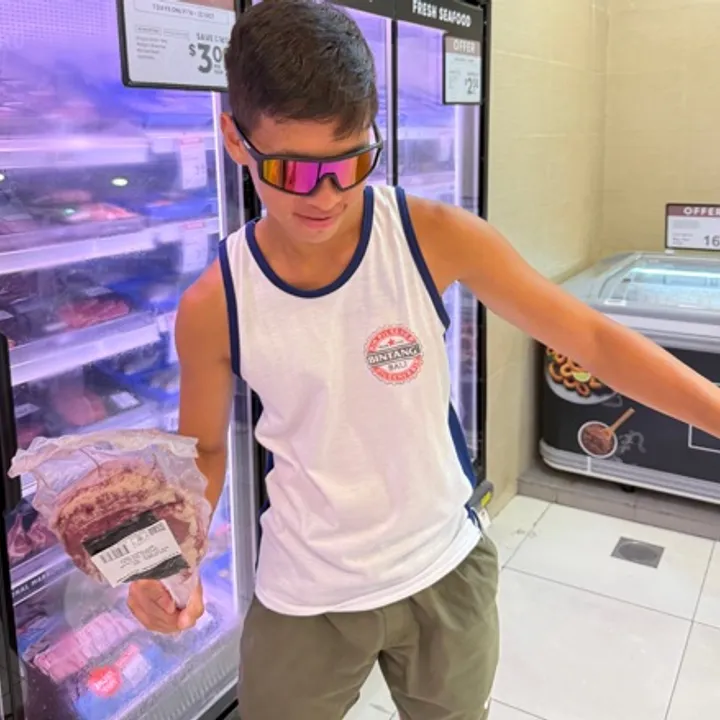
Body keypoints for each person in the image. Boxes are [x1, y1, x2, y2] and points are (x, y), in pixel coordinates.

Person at [127, 2, 720, 718]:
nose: (328, 195)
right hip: (306, 593)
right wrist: (170, 561)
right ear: (235, 140)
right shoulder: (214, 302)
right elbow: (202, 453)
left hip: (445, 570)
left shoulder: (431, 237)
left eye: (352, 162)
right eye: (292, 170)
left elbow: (588, 339)